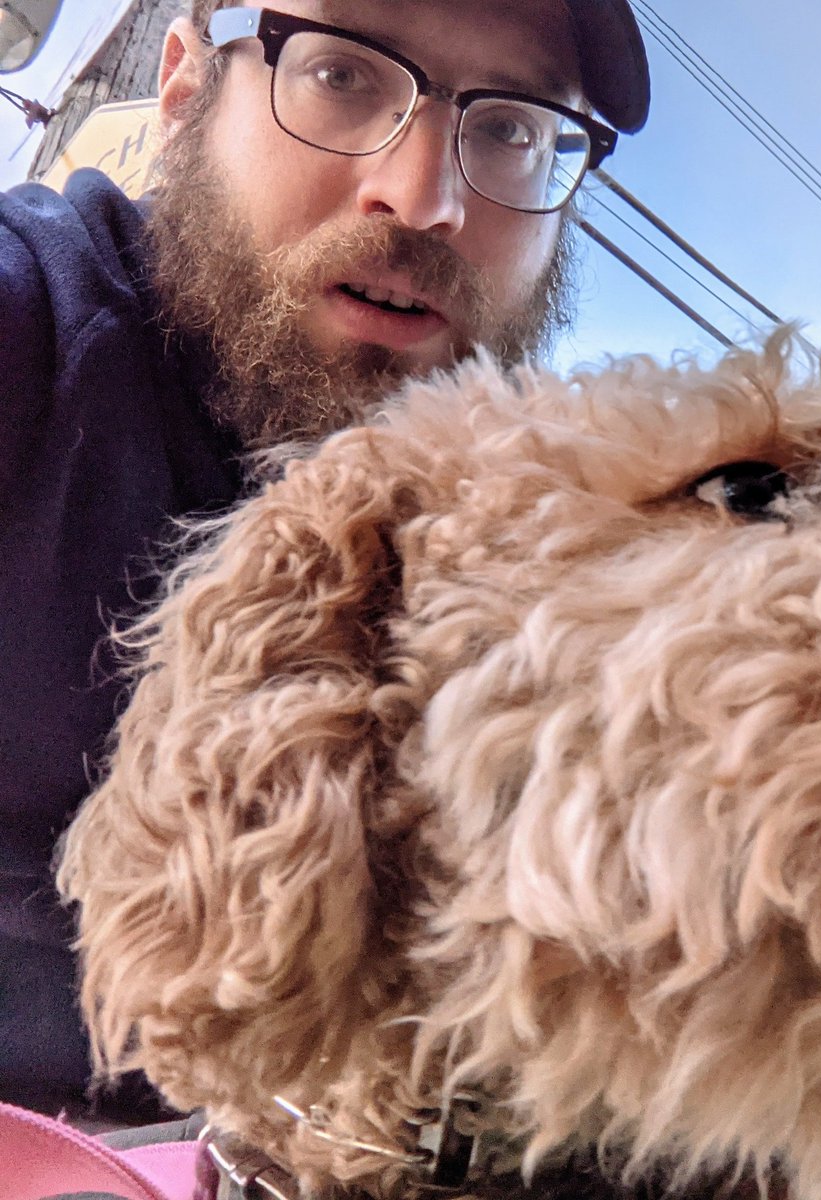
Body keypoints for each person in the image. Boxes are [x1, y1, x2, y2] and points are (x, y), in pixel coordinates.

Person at [0, 0, 649, 1122]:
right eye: (344, 74)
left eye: (512, 130)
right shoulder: (31, 332)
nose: (428, 197)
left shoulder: (547, 560)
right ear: (184, 86)